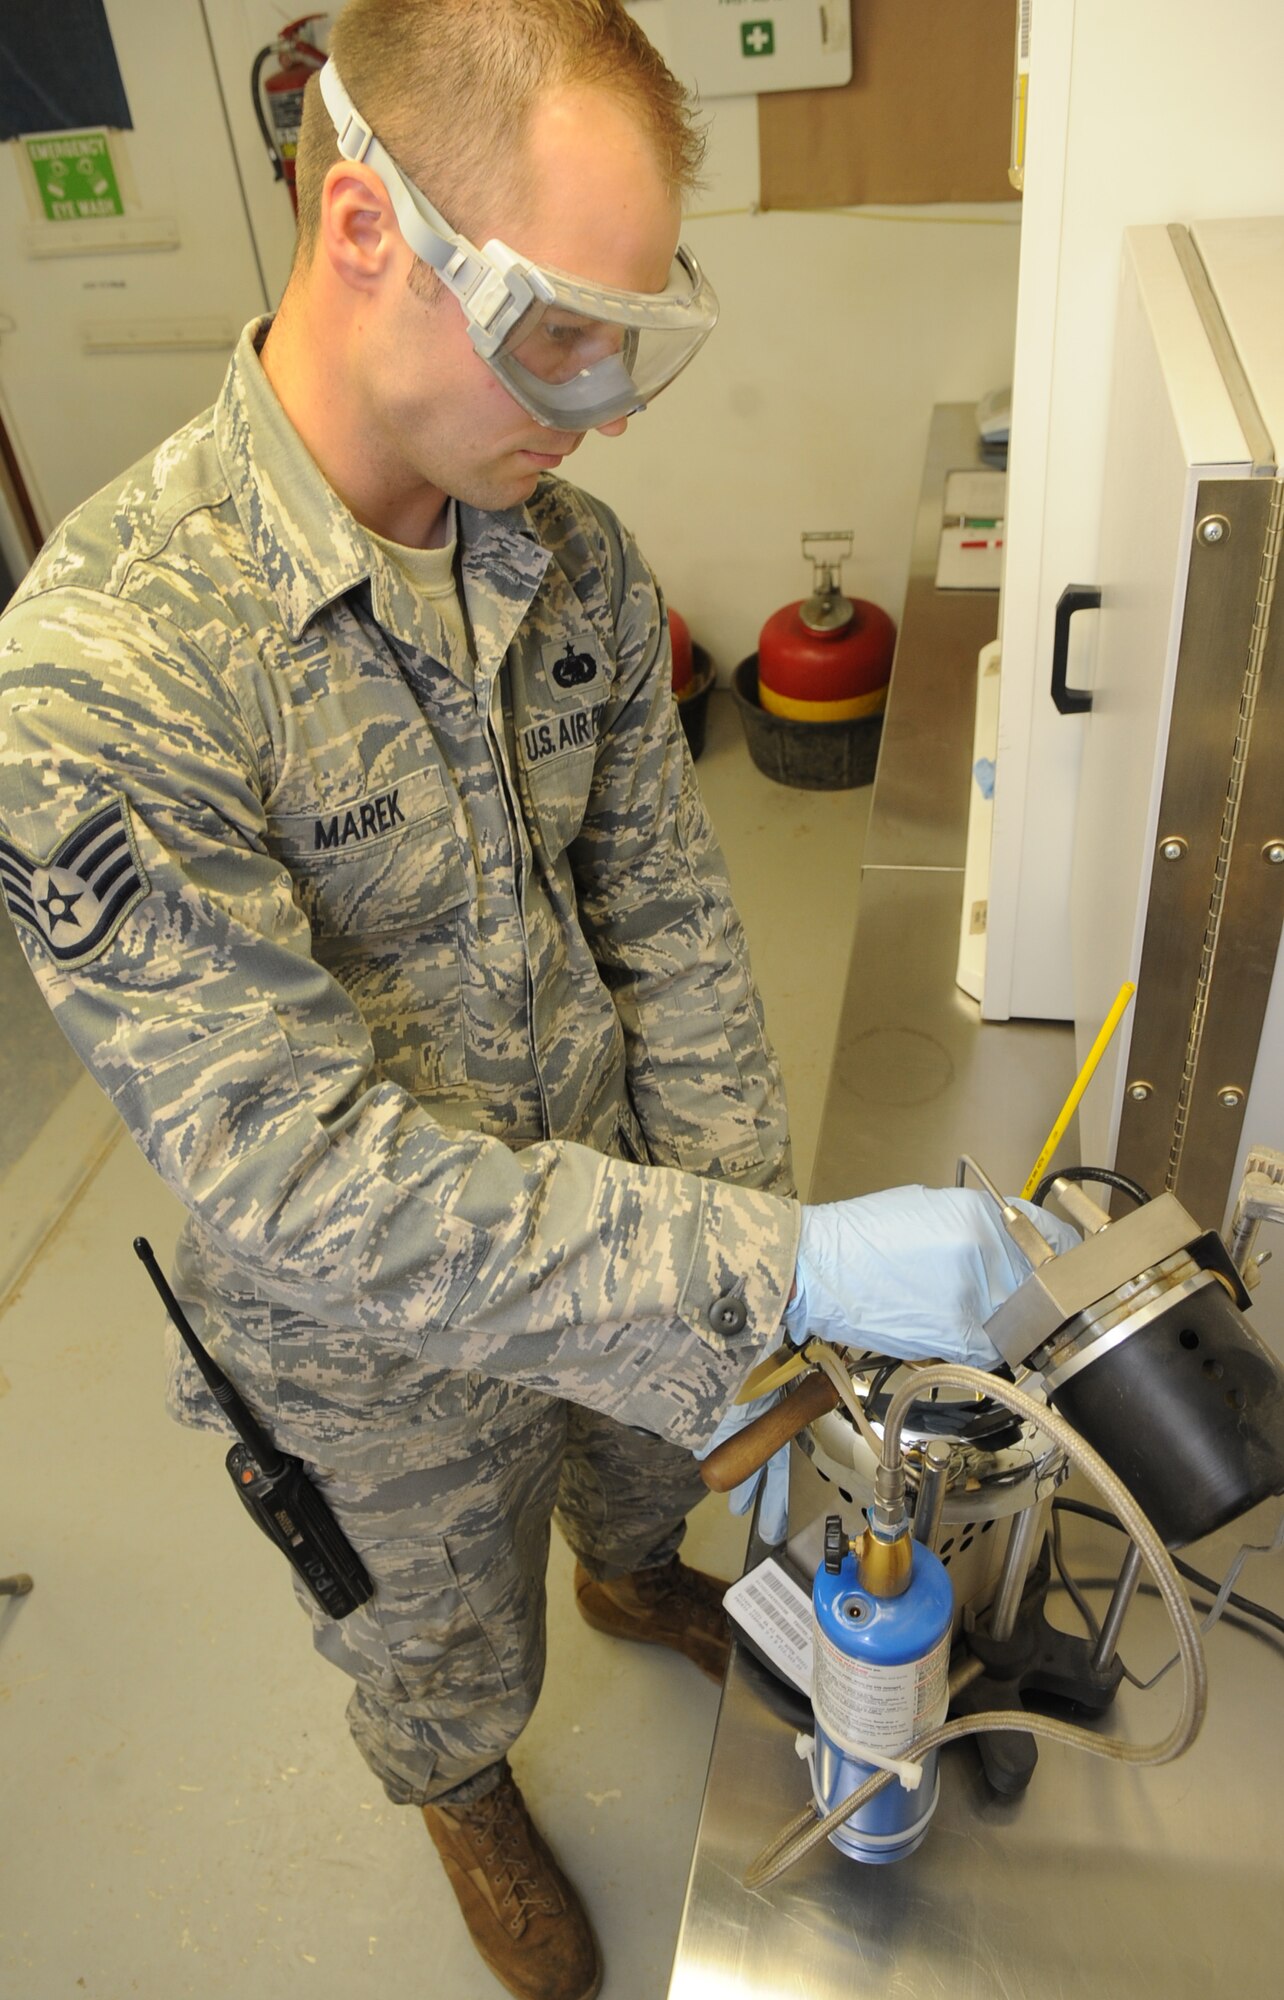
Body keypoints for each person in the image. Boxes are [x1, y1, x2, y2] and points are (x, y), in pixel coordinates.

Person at [0, 6, 1071, 1997]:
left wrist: (746, 1227)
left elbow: (666, 916)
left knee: (648, 1473)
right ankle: (462, 1782)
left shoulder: (566, 565)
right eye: (560, 331)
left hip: (627, 1201)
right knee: (439, 1633)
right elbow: (305, 1179)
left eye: (639, 338)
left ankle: (632, 1566)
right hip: (363, 1358)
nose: (606, 403)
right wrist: (783, 1259)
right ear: (360, 229)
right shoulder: (106, 671)